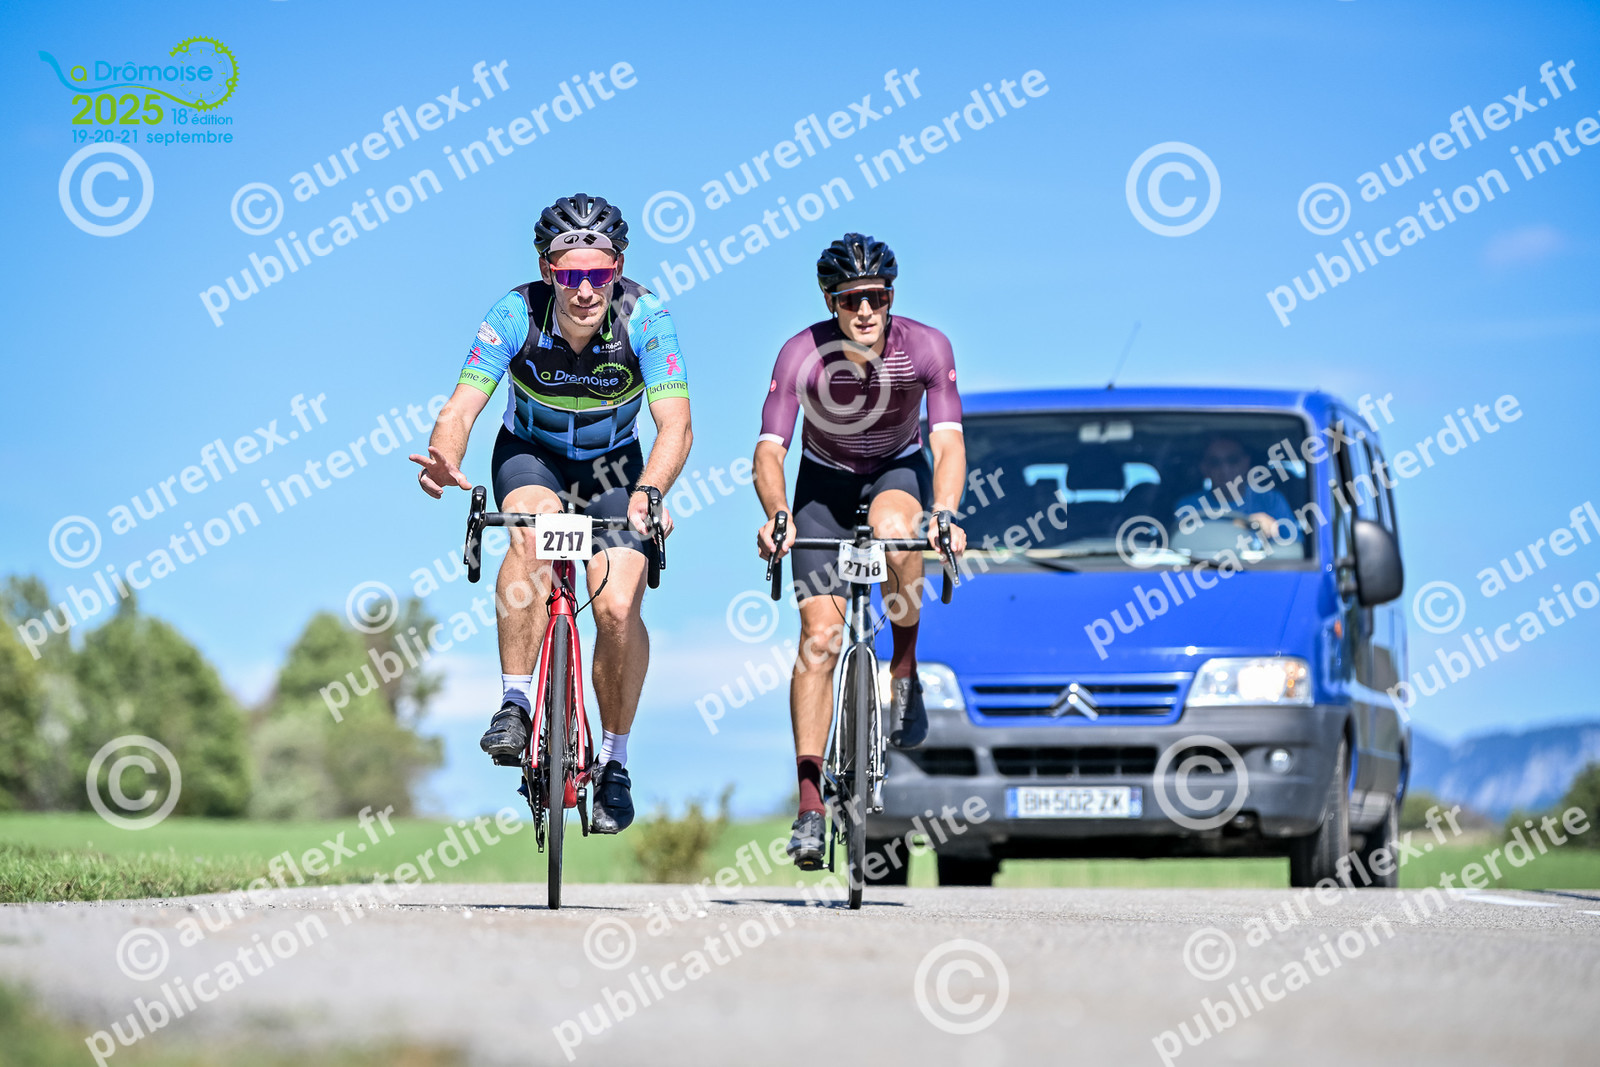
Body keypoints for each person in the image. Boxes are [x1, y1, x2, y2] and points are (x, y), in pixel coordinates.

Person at [410, 193, 691, 834]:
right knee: (531, 536)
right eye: (570, 274)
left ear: (618, 268)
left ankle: (614, 763)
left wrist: (649, 492)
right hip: (530, 457)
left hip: (615, 468)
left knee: (616, 608)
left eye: (600, 272)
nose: (586, 290)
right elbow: (460, 408)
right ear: (547, 270)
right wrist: (445, 456)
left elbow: (675, 425)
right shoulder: (515, 313)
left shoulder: (647, 317)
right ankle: (514, 704)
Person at [752, 232, 967, 869]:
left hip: (896, 471)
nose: (866, 311)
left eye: (877, 297)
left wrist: (944, 513)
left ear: (891, 297)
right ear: (831, 302)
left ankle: (903, 667)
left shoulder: (926, 347)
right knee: (819, 638)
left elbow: (948, 442)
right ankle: (810, 805)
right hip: (822, 484)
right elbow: (769, 451)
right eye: (851, 300)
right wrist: (777, 513)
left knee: (898, 527)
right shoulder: (802, 353)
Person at [1175, 435, 1297, 541]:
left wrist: (1273, 530)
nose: (1224, 469)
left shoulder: (1271, 500)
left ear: (1246, 462)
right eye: (1215, 462)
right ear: (1204, 468)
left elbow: (1294, 548)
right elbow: (1182, 548)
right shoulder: (1189, 506)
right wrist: (1244, 524)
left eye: (1232, 460)